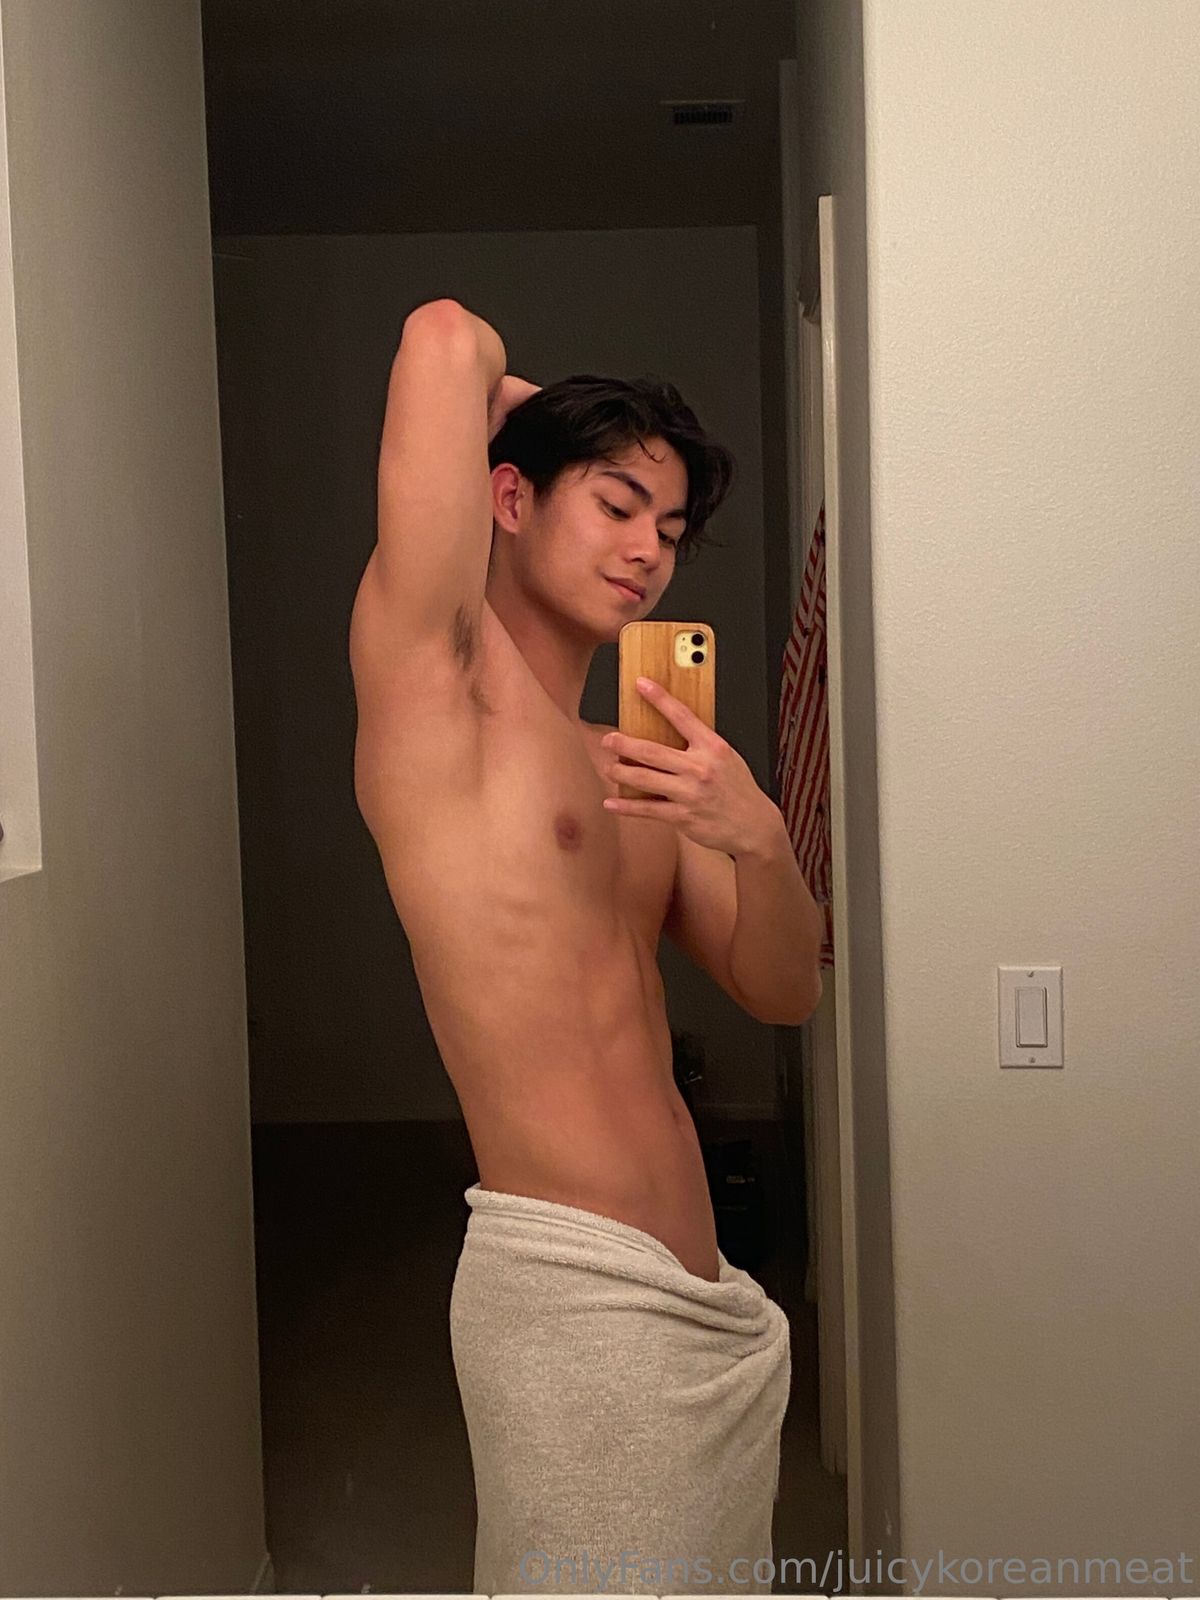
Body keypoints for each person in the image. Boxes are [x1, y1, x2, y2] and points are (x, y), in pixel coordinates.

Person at [348, 297, 824, 1595]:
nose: (648, 551)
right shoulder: (439, 690)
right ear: (507, 498)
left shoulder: (634, 764)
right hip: (570, 1295)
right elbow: (444, 337)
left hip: (704, 1298)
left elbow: (785, 989)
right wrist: (531, 417)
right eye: (616, 505)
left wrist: (757, 837)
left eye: (669, 530)